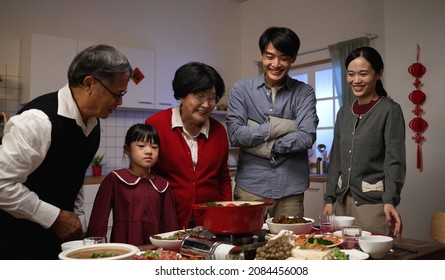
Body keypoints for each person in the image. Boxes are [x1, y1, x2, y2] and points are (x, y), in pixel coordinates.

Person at [0, 44, 132, 259]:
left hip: (57, 243)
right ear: (89, 83)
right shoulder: (38, 120)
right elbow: (2, 184)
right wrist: (55, 217)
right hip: (17, 245)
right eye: (117, 94)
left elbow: (74, 178)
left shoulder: (93, 124)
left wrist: (78, 223)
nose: (120, 101)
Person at [226, 27, 319, 218]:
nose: (276, 64)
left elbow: (306, 137)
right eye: (270, 56)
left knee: (288, 244)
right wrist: (281, 126)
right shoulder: (242, 89)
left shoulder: (304, 92)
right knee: (246, 244)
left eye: (283, 58)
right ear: (262, 55)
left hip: (290, 190)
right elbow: (235, 135)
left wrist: (261, 140)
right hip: (249, 187)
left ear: (293, 58)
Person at [322, 46, 406, 237]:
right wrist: (329, 199)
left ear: (379, 73)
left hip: (374, 206)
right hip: (342, 206)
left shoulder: (389, 110)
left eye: (363, 74)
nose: (356, 80)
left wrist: (390, 200)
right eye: (351, 74)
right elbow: (336, 160)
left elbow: (394, 161)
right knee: (342, 257)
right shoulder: (344, 112)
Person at [145, 62, 232, 229]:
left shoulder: (219, 131)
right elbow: (145, 173)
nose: (206, 105)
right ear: (182, 95)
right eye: (200, 96)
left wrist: (226, 211)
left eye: (212, 98)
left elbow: (223, 177)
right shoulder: (156, 125)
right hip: (167, 217)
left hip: (210, 220)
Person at [87, 124, 179, 246]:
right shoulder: (115, 179)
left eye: (154, 147)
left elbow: (171, 226)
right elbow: (98, 223)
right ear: (127, 149)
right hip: (124, 252)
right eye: (141, 146)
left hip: (155, 253)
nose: (149, 151)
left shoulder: (163, 185)